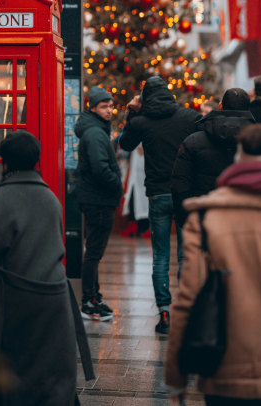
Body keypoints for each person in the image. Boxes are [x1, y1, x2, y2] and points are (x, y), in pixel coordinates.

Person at [165, 124, 261, 405]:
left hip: (226, 374)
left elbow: (187, 299)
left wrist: (176, 376)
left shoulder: (205, 218)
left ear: (239, 157)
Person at [0, 130, 93, 406]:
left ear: (6, 163)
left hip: (17, 298)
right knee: (48, 370)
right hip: (55, 296)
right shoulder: (50, 197)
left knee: (14, 373)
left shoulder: (3, 197)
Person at [118, 76, 200, 334]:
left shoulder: (142, 122)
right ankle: (185, 312)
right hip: (184, 193)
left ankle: (164, 313)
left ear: (145, 97)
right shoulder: (188, 117)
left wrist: (131, 113)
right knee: (185, 255)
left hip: (158, 195)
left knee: (160, 257)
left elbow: (124, 143)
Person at [171, 88, 255, 226]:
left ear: (221, 106)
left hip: (203, 214)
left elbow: (180, 181)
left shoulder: (193, 141)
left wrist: (185, 216)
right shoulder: (258, 142)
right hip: (243, 217)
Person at [74, 86, 122, 320]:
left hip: (95, 198)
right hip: (98, 200)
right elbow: (100, 168)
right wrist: (117, 184)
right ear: (92, 108)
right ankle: (88, 301)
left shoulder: (96, 130)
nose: (109, 110)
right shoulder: (94, 133)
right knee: (94, 252)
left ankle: (94, 296)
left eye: (111, 106)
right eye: (104, 106)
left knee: (94, 251)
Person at [121, 145, 150, 238]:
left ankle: (145, 228)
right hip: (135, 174)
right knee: (133, 199)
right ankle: (133, 226)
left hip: (144, 174)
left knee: (144, 201)